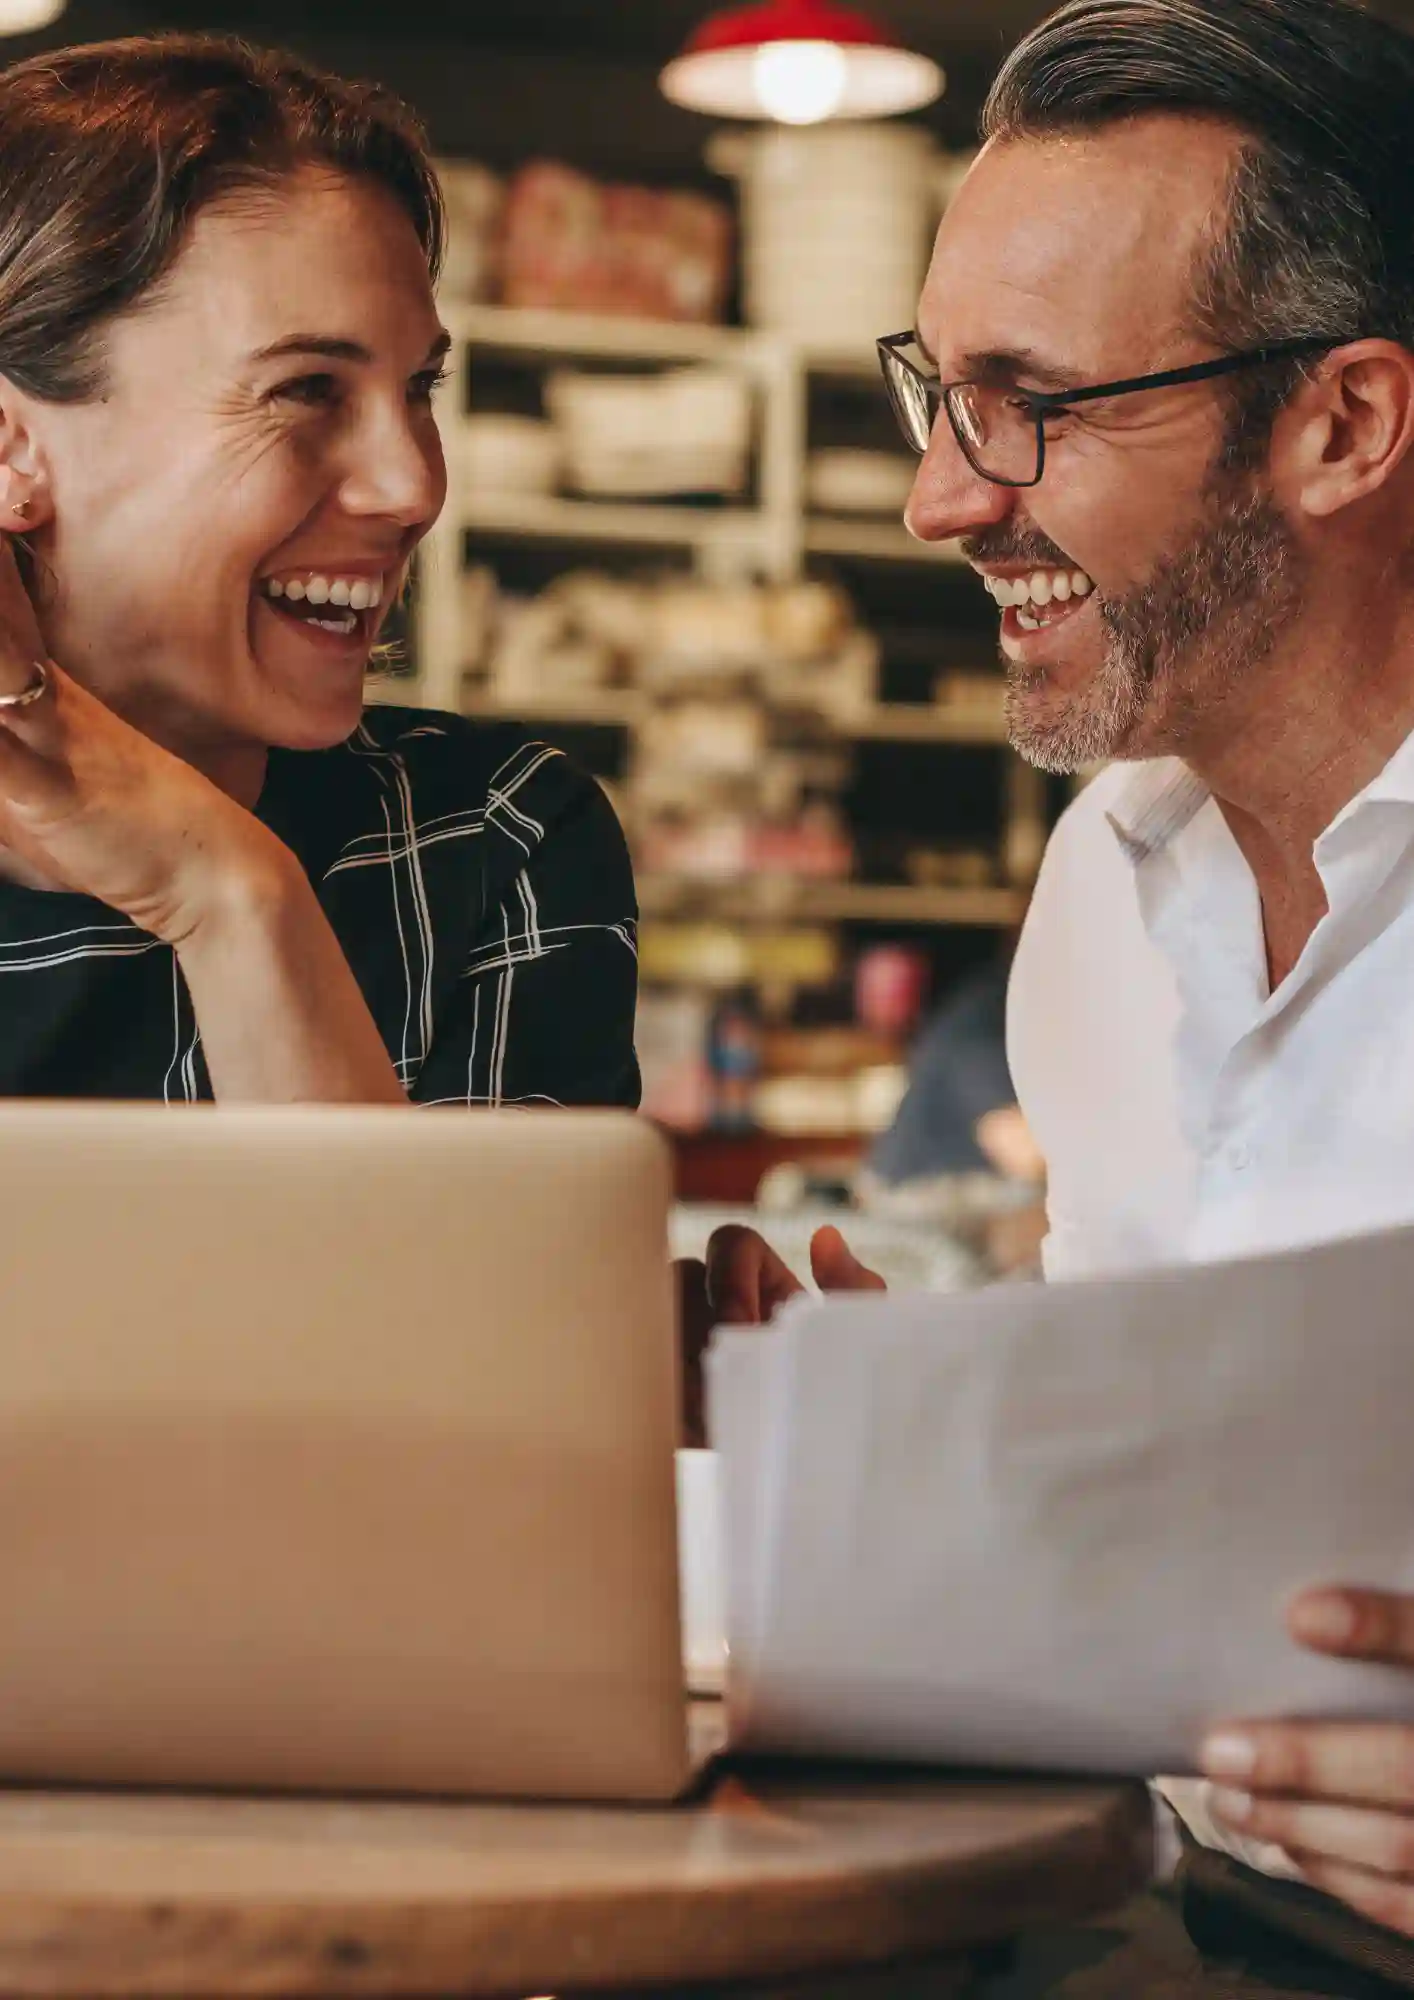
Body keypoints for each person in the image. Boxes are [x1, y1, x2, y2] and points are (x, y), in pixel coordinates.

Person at [730, 0, 1414, 1964]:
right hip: (1137, 1914)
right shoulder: (1102, 888)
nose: (941, 498)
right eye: (935, 394)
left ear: (1340, 425)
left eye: (1027, 402)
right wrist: (936, 1467)